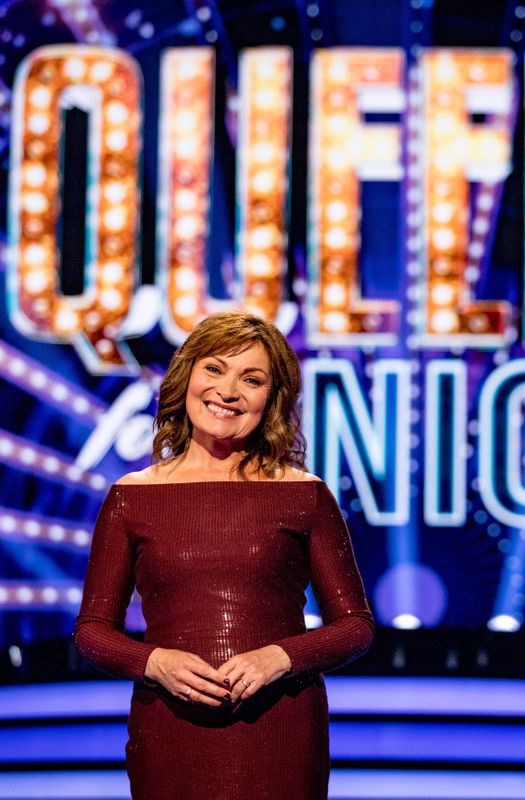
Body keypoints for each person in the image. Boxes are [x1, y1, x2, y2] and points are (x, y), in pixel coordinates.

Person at [74, 311, 374, 799]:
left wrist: (280, 657)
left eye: (251, 379)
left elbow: (355, 625)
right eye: (214, 369)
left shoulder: (304, 495)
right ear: (187, 375)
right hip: (170, 731)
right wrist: (155, 662)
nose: (228, 391)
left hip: (279, 730)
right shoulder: (132, 496)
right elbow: (91, 631)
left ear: (271, 400)